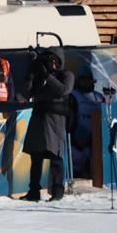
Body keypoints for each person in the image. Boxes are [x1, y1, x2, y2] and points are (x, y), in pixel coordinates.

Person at [21, 46, 74, 202]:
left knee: (55, 156)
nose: (52, 63)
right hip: (39, 118)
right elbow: (27, 92)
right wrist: (31, 74)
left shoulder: (67, 75)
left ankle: (57, 191)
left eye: (54, 60)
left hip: (55, 121)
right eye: (49, 60)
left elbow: (63, 90)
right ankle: (34, 191)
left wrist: (47, 76)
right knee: (35, 157)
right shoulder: (40, 76)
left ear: (60, 60)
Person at [69, 66, 106, 179]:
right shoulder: (73, 96)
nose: (86, 82)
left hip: (97, 141)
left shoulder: (99, 97)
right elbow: (70, 119)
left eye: (88, 79)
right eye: (83, 79)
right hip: (78, 143)